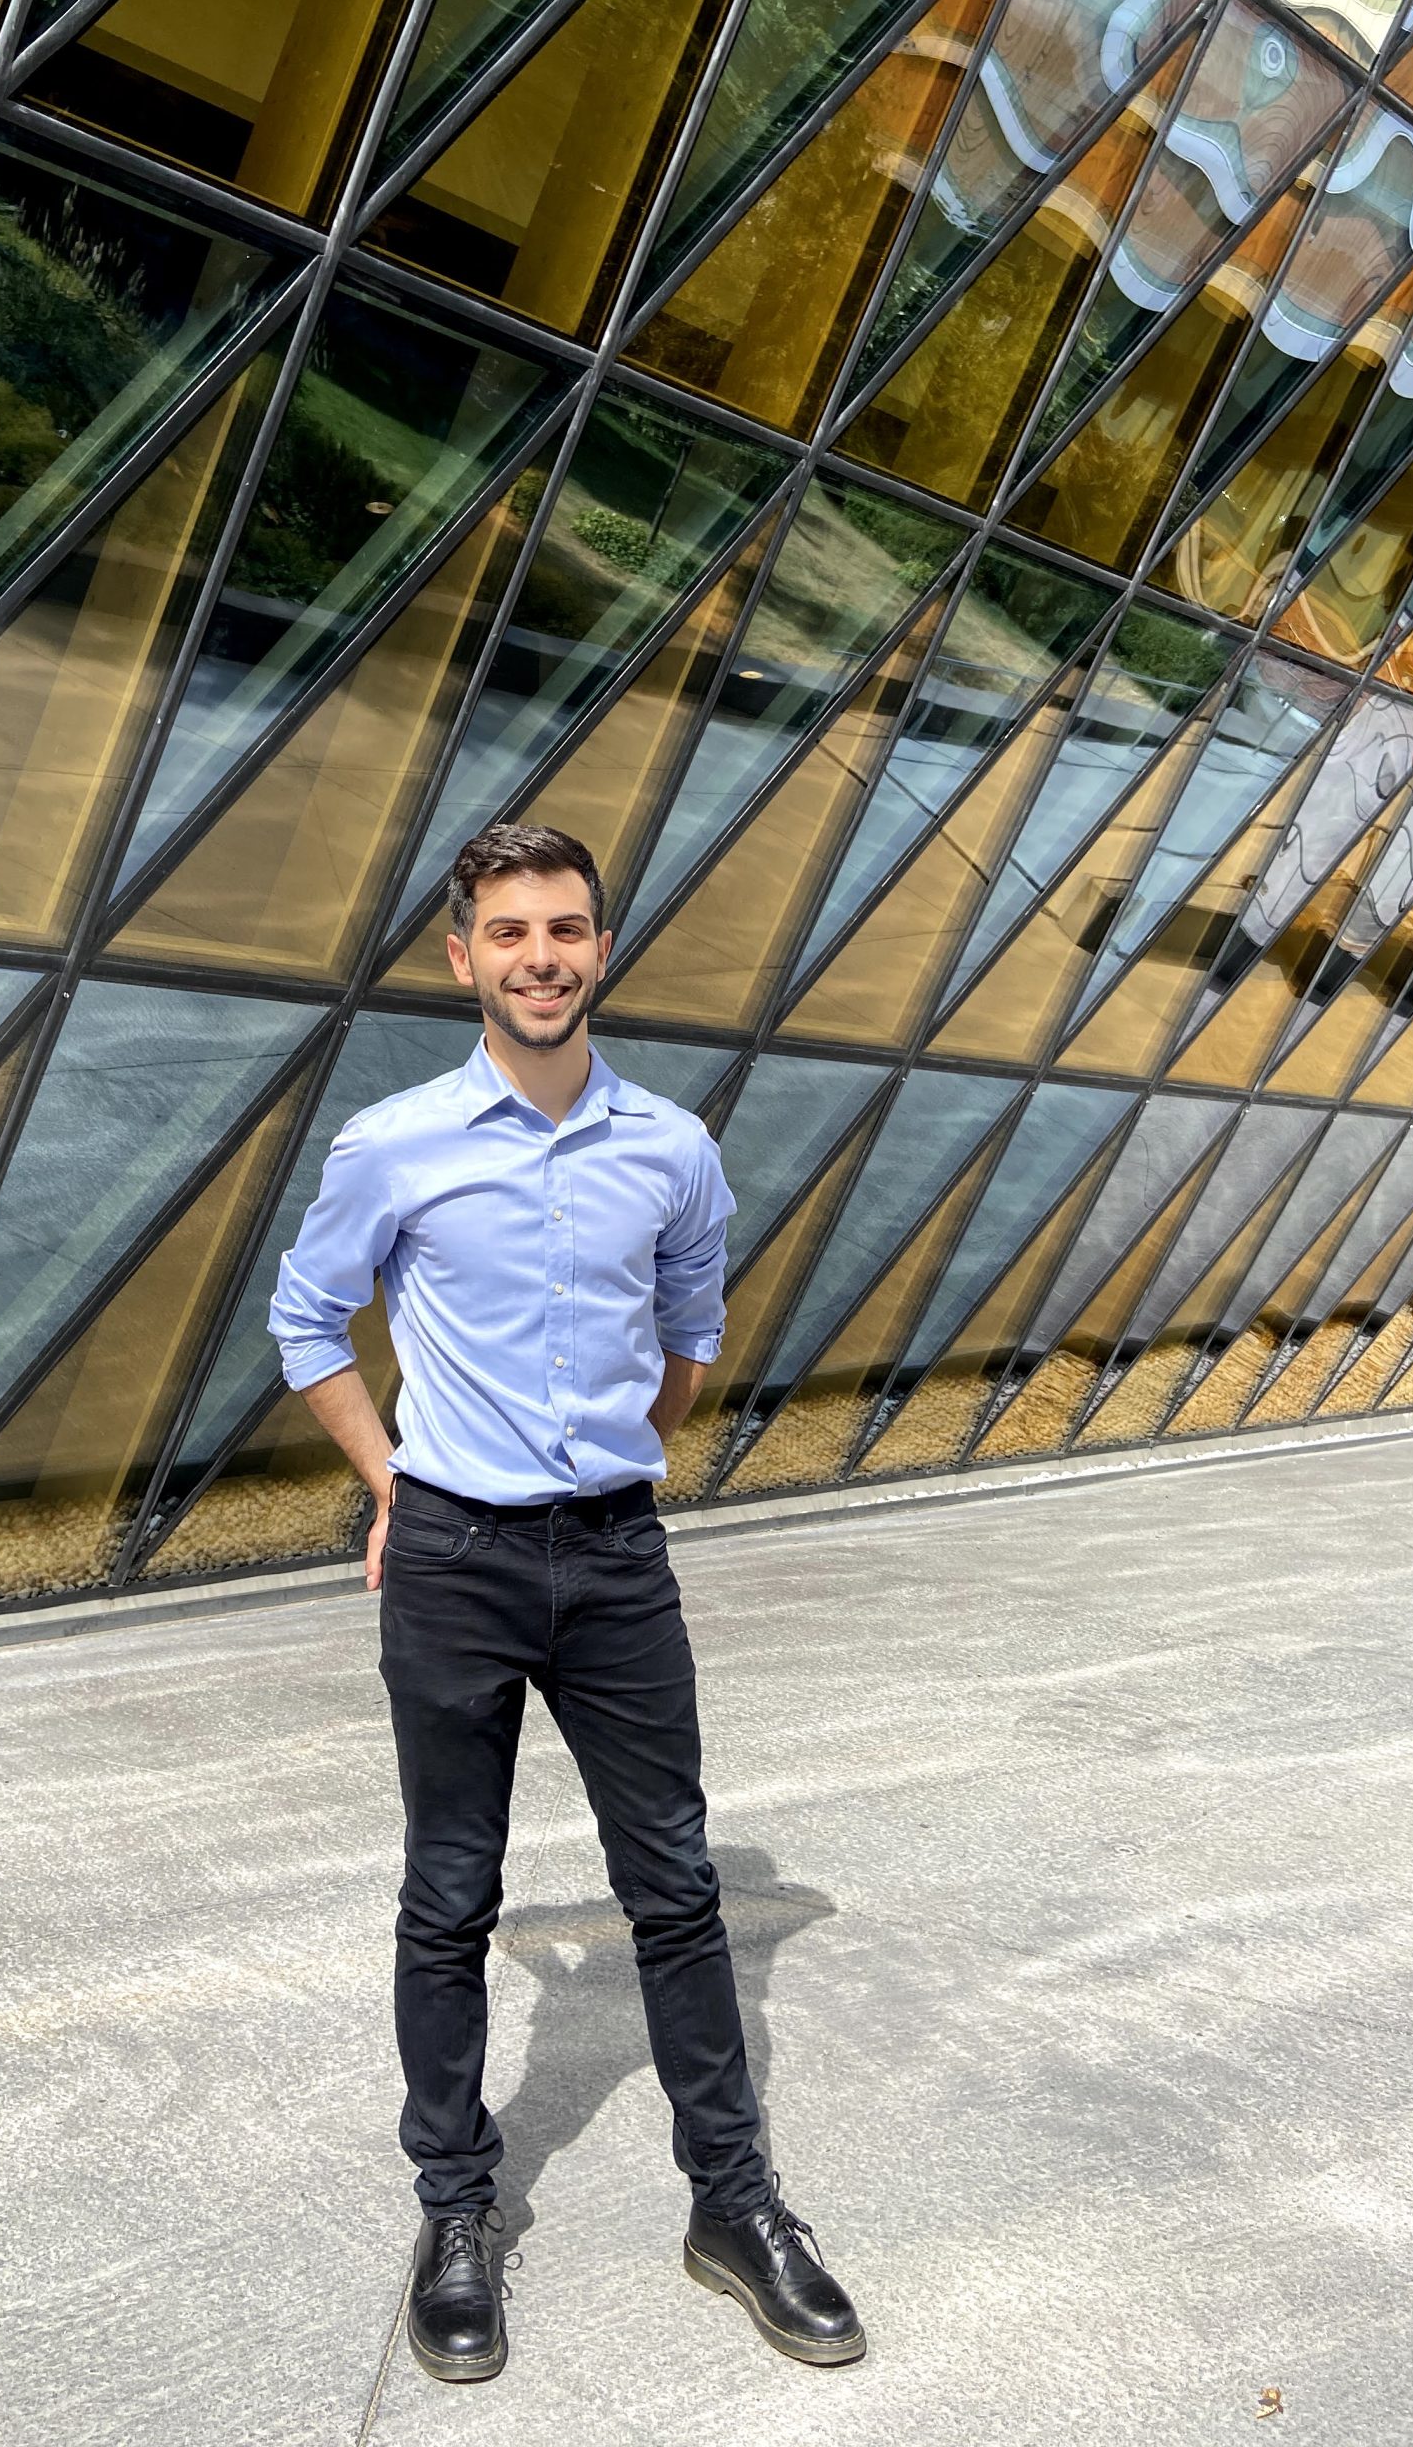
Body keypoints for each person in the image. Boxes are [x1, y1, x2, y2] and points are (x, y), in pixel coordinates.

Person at [268, 820, 863, 2384]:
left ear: (602, 947)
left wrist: (607, 1471)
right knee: (450, 1897)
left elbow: (687, 1341)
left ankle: (735, 2211)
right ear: (460, 956)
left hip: (613, 1563)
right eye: (512, 932)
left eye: (570, 930)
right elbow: (306, 1319)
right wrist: (395, 1481)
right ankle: (456, 2216)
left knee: (675, 1888)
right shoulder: (391, 1143)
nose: (544, 956)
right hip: (453, 1561)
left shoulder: (672, 1149)